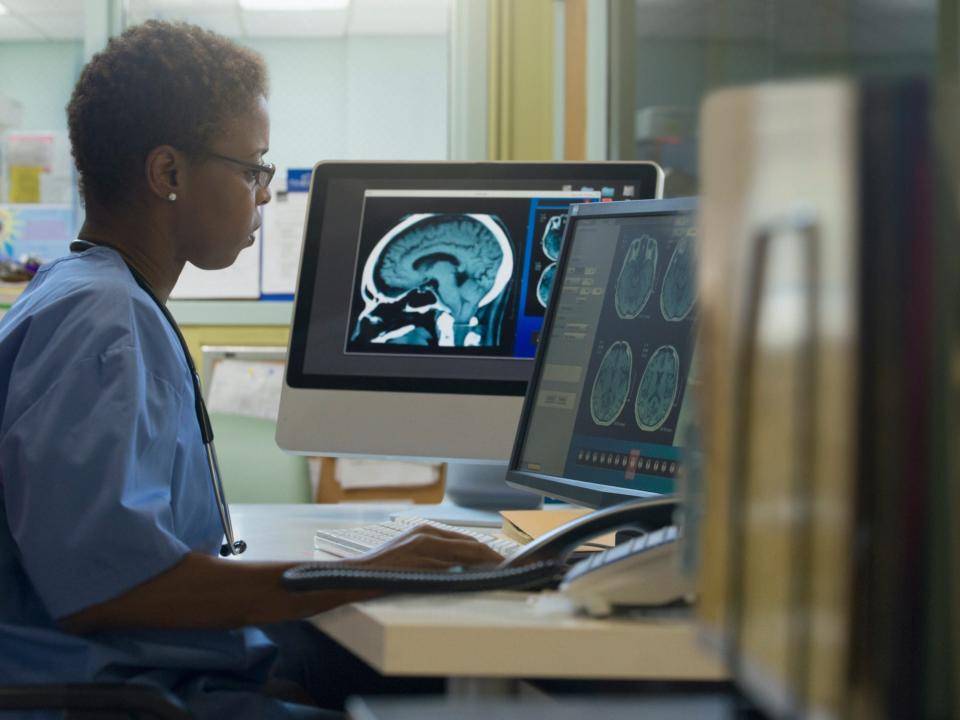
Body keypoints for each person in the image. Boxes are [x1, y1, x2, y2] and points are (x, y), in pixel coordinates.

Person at [0, 20, 501, 719]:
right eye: (251, 168)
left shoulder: (88, 294)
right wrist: (364, 572)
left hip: (158, 679)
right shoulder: (103, 323)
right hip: (127, 699)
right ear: (169, 173)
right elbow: (108, 588)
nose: (264, 192)